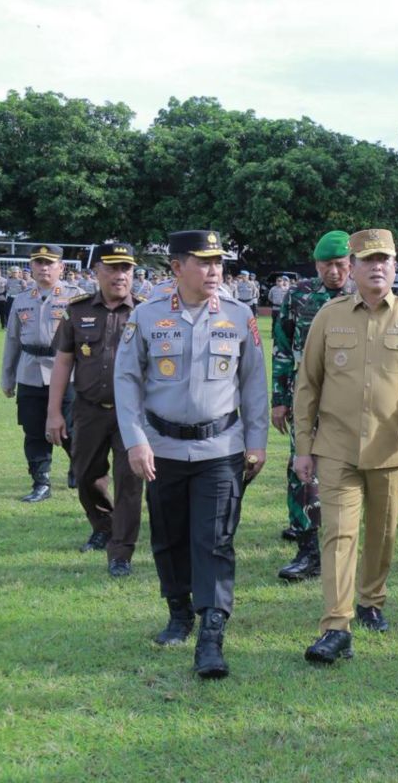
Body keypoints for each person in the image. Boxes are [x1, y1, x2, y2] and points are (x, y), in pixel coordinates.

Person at [114, 229, 268, 679]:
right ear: (177, 267)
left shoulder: (240, 317)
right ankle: (178, 612)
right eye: (203, 262)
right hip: (160, 447)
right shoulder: (146, 317)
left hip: (220, 448)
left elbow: (254, 385)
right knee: (169, 536)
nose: (214, 270)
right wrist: (135, 440)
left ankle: (211, 633)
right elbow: (126, 381)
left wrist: (256, 442)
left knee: (215, 540)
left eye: (218, 261)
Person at [292, 228, 398, 665]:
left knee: (382, 534)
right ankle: (335, 626)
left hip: (391, 450)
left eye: (385, 260)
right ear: (352, 268)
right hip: (336, 448)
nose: (377, 267)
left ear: (395, 267)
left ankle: (371, 600)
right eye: (368, 260)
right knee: (338, 535)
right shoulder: (328, 316)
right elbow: (307, 385)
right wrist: (304, 447)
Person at [47, 243, 146, 576]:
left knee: (130, 481)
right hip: (88, 410)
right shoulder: (76, 311)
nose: (120, 276)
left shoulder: (147, 312)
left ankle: (121, 551)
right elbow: (63, 362)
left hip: (132, 414)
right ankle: (103, 524)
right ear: (97, 272)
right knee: (86, 474)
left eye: (126, 269)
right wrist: (54, 412)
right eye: (113, 268)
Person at [271, 231, 352, 580]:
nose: (333, 271)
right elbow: (282, 346)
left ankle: (342, 542)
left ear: (351, 264)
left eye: (340, 264)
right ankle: (307, 549)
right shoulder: (300, 296)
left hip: (351, 404)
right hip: (306, 400)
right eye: (326, 265)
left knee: (348, 473)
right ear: (316, 264)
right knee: (302, 469)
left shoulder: (366, 294)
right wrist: (279, 399)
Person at [1, 247, 84, 502]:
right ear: (32, 267)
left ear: (61, 267)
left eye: (49, 263)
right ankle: (41, 482)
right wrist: (7, 376)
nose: (44, 268)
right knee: (34, 431)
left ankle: (79, 469)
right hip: (30, 374)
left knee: (70, 429)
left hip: (66, 374)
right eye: (38, 263)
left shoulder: (76, 298)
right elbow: (12, 340)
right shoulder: (22, 299)